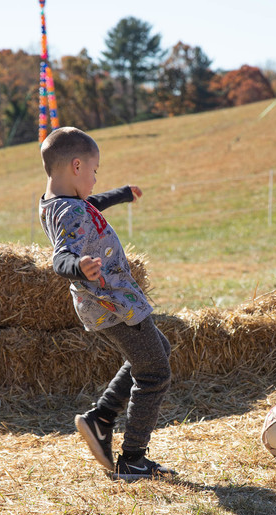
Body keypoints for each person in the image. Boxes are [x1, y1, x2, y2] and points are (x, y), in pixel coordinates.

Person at [39, 126, 175, 480]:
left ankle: (101, 418)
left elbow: (91, 206)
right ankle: (132, 458)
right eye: (95, 171)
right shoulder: (69, 213)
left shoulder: (61, 204)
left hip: (109, 300)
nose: (96, 179)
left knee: (157, 348)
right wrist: (78, 266)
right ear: (78, 166)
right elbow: (60, 258)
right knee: (154, 371)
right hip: (113, 302)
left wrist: (122, 194)